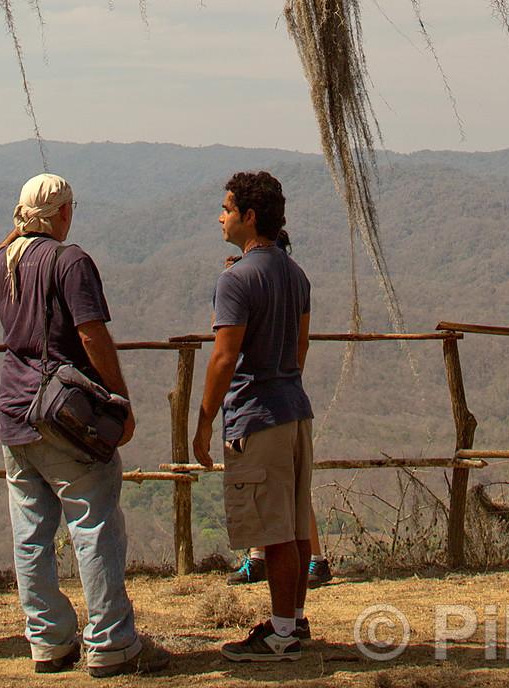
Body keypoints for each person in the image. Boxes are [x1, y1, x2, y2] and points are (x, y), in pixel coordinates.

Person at [0, 173, 167, 677]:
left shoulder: (0, 261)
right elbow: (91, 334)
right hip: (67, 416)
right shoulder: (70, 260)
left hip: (13, 412)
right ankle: (110, 643)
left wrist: (16, 233)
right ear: (63, 212)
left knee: (30, 532)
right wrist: (119, 400)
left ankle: (48, 642)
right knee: (94, 525)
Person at [194, 171, 313, 663]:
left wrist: (202, 424)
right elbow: (301, 346)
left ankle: (282, 635)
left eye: (226, 208)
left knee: (274, 530)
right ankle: (293, 621)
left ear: (249, 216)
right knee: (296, 527)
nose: (220, 217)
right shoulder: (295, 273)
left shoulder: (237, 279)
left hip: (258, 416)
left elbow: (224, 358)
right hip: (294, 410)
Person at [226, 235, 330, 591]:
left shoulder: (252, 280)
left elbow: (228, 350)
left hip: (264, 405)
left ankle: (305, 570)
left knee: (281, 496)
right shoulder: (293, 279)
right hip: (286, 400)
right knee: (279, 495)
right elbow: (301, 344)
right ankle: (261, 560)